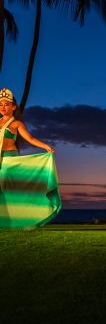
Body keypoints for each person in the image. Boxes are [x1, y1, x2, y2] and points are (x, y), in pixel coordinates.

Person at [0, 87, 61, 229]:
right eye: (0, 104)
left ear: (13, 107)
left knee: (12, 191)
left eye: (6, 104)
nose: (3, 107)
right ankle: (4, 221)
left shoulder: (16, 124)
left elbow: (30, 138)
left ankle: (23, 219)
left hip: (10, 161)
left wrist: (45, 146)